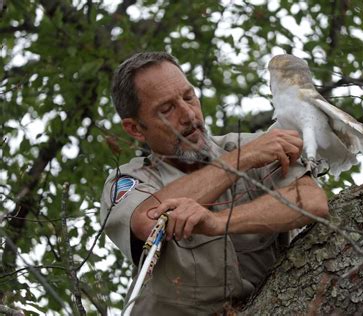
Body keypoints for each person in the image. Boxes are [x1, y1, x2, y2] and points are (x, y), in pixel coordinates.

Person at [100, 52, 329, 315]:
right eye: (166, 109)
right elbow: (148, 220)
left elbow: (313, 202)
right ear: (136, 129)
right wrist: (240, 161)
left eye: (189, 97)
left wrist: (219, 222)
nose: (188, 114)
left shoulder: (249, 145)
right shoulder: (129, 180)